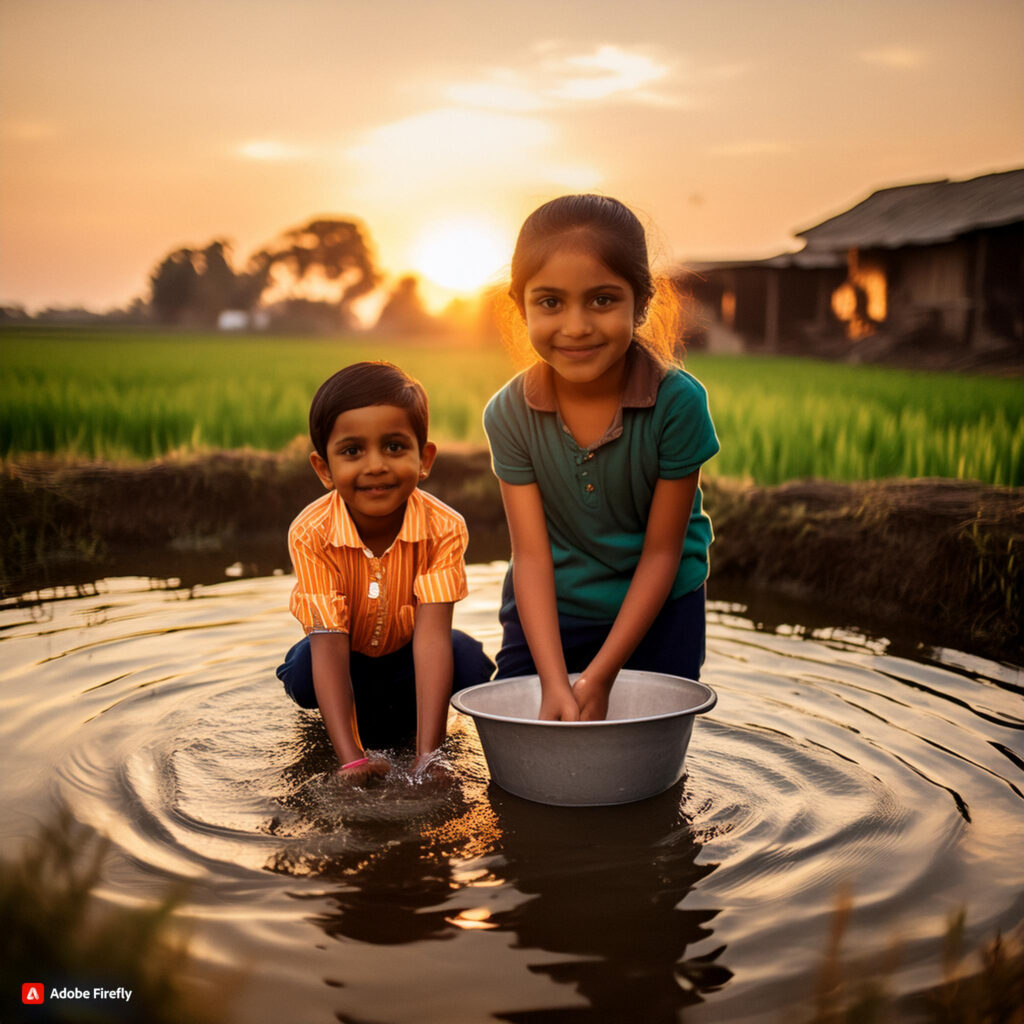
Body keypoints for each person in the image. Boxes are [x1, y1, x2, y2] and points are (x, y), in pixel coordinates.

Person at [483, 194, 719, 722]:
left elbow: (662, 553)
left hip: (662, 608)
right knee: (532, 737)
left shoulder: (678, 404)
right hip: (551, 609)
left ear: (641, 303)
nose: (576, 326)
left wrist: (600, 674)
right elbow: (532, 556)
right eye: (550, 302)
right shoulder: (509, 414)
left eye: (601, 300)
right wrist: (553, 679)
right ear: (521, 306)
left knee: (648, 749)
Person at [277, 361, 494, 781]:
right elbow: (328, 645)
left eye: (394, 447)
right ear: (324, 469)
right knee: (305, 671)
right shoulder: (310, 533)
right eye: (352, 451)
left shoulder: (444, 527)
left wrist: (428, 757)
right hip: (343, 658)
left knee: (469, 662)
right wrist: (352, 759)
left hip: (410, 656)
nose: (375, 465)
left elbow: (431, 640)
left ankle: (417, 727)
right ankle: (347, 729)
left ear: (424, 458)